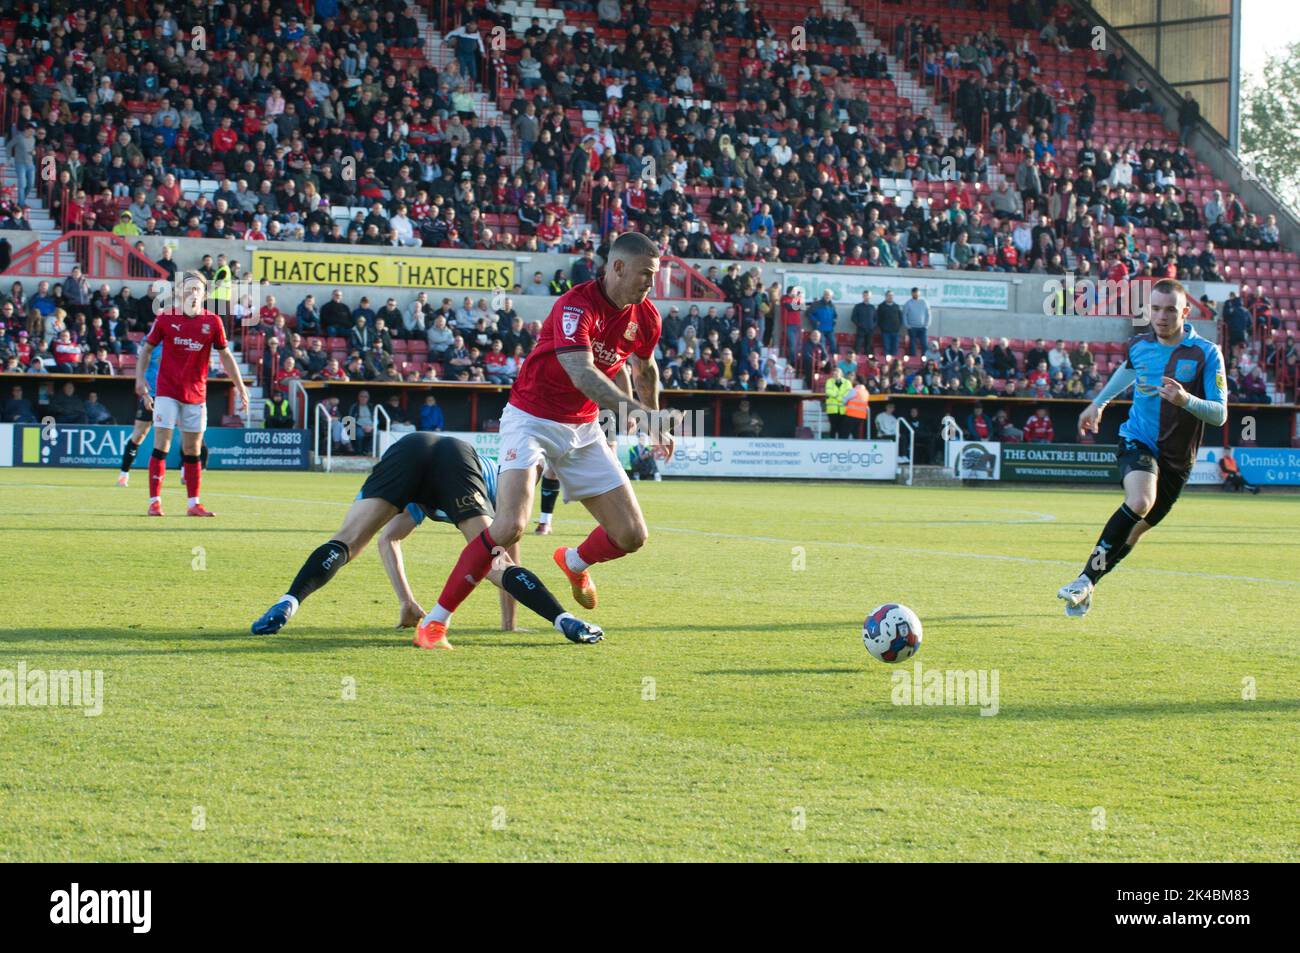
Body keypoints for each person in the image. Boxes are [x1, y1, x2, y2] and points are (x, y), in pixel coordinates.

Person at [417, 232, 673, 648]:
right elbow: (582, 373)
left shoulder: (645, 316)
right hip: (531, 419)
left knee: (631, 536)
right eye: (645, 274)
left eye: (655, 276)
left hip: (584, 428)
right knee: (510, 526)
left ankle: (574, 561)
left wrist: (655, 416)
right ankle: (435, 622)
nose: (650, 284)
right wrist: (635, 412)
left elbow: (646, 369)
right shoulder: (576, 304)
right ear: (618, 267)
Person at [250, 433, 603, 647]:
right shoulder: (509, 480)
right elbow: (509, 554)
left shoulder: (487, 479)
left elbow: (389, 539)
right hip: (457, 459)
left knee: (347, 540)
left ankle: (289, 601)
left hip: (409, 447)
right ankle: (564, 620)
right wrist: (508, 624)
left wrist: (406, 601)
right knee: (496, 562)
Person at [1059, 278, 1227, 617]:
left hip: (1178, 461)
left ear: (1185, 311)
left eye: (1169, 309)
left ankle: (1089, 582)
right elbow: (1128, 371)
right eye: (1155, 309)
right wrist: (1099, 403)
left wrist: (1186, 399)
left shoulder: (1206, 353)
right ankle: (1083, 579)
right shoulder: (1139, 345)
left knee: (1134, 532)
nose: (1161, 316)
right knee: (1139, 500)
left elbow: (1220, 414)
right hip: (1137, 440)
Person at [134, 273, 249, 516]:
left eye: (198, 289)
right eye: (188, 288)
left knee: (193, 448)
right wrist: (139, 379)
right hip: (166, 391)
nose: (193, 293)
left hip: (196, 394)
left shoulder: (213, 322)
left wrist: (240, 386)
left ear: (205, 294)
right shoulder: (166, 318)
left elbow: (226, 356)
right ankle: (155, 501)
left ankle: (193, 504)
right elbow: (146, 350)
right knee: (161, 444)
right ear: (179, 293)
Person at [116, 339, 163, 487]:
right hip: (152, 394)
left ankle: (184, 473)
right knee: (139, 435)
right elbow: (141, 369)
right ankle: (124, 473)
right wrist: (145, 394)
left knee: (182, 433)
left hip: (171, 395)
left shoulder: (178, 339)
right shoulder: (150, 341)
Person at [901, 287, 931, 357]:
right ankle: (913, 359)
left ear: (919, 293)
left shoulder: (924, 302)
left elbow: (928, 314)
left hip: (922, 328)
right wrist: (907, 325)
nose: (915, 294)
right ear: (912, 294)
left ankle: (925, 359)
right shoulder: (908, 303)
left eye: (917, 293)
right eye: (914, 293)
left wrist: (926, 325)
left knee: (924, 344)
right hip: (912, 328)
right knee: (912, 344)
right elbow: (904, 315)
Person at [824, 365, 852, 438]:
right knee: (833, 428)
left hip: (843, 410)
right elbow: (828, 391)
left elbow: (849, 393)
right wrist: (840, 397)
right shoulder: (829, 381)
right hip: (832, 410)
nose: (835, 374)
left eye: (837, 372)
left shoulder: (847, 382)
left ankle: (841, 445)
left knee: (842, 429)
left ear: (841, 374)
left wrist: (836, 396)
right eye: (834, 373)